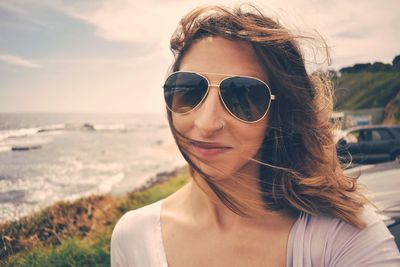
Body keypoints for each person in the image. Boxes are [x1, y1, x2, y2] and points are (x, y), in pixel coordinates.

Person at [111, 5, 400, 266]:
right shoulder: (134, 237)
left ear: (281, 113)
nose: (207, 123)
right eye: (189, 89)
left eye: (243, 96)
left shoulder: (345, 239)